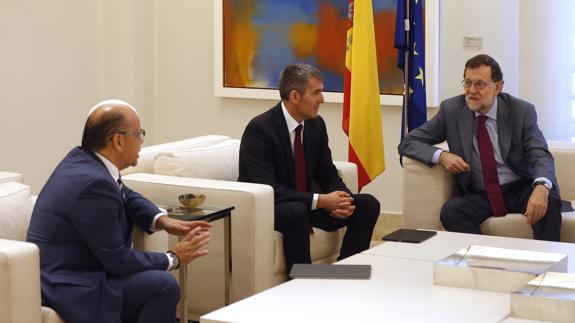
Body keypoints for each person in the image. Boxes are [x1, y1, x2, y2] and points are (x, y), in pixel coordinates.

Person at [26, 99, 211, 323]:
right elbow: (119, 261)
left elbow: (124, 193)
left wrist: (161, 220)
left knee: (155, 283)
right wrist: (173, 257)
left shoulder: (84, 161)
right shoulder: (92, 184)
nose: (142, 142)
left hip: (76, 272)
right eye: (139, 134)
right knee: (163, 285)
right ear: (118, 141)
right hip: (70, 284)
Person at [398, 54, 562, 241]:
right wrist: (441, 156)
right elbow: (408, 142)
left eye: (480, 84)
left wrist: (541, 187)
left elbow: (539, 153)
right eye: (467, 83)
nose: (471, 91)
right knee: (451, 212)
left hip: (519, 188)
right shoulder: (451, 110)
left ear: (498, 87)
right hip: (481, 194)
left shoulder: (521, 111)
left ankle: (547, 265)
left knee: (549, 202)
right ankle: (484, 258)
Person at [238, 64, 380, 271]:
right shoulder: (260, 129)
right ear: (295, 96)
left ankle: (346, 271)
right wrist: (321, 201)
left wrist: (343, 199)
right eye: (316, 93)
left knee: (367, 204)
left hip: (308, 204)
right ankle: (302, 281)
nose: (322, 99)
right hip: (275, 206)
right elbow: (268, 189)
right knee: (296, 211)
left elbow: (326, 171)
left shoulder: (315, 124)